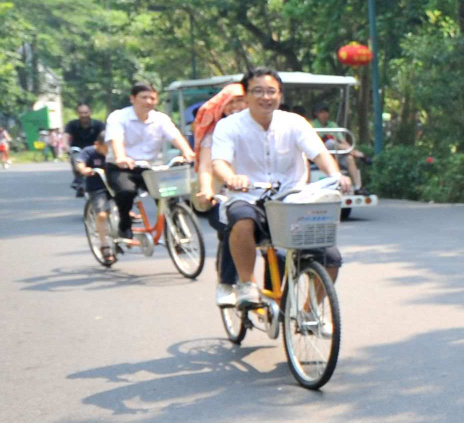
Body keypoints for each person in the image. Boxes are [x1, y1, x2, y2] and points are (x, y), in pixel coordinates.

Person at [209, 68, 351, 302]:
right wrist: (231, 178)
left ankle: (309, 313)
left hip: (292, 200)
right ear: (246, 96)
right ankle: (246, 284)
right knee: (241, 219)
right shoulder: (229, 126)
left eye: (271, 91)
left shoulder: (295, 122)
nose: (265, 97)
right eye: (258, 91)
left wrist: (336, 174)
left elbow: (319, 153)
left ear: (280, 95)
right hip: (249, 196)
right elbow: (219, 163)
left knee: (331, 258)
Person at [102, 83, 195, 240]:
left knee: (170, 194)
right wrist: (121, 157)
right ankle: (124, 224)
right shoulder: (118, 117)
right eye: (144, 97)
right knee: (126, 192)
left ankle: (176, 233)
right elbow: (116, 139)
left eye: (152, 98)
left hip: (148, 168)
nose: (148, 101)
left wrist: (187, 152)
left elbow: (175, 136)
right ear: (132, 98)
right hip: (121, 167)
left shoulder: (161, 119)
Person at [192, 82, 248, 306]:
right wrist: (206, 188)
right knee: (233, 227)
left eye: (240, 101)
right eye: (230, 102)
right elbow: (206, 166)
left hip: (261, 192)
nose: (236, 106)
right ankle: (227, 283)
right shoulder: (215, 132)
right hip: (226, 194)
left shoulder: (262, 126)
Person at [63, 105, 105, 195]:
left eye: (85, 113)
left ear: (90, 113)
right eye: (81, 113)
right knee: (77, 165)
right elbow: (66, 135)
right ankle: (80, 183)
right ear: (78, 113)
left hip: (94, 149)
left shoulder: (98, 124)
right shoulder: (72, 124)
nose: (83, 115)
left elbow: (104, 135)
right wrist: (65, 145)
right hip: (77, 150)